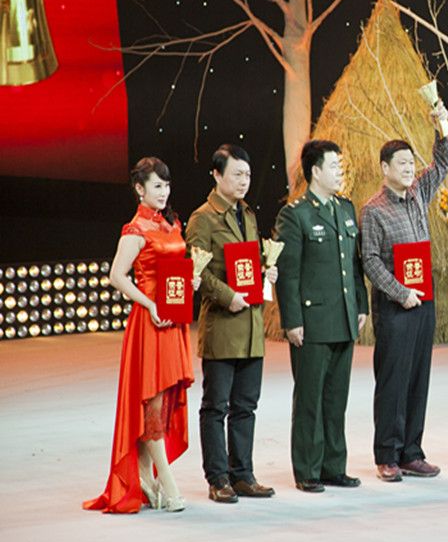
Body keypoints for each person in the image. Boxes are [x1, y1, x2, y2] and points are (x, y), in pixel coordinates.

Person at [84, 157, 200, 514]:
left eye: (166, 185)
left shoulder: (171, 223)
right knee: (152, 402)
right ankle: (166, 484)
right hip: (150, 324)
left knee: (164, 401)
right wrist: (150, 304)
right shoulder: (135, 230)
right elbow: (117, 276)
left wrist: (190, 282)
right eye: (156, 186)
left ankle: (147, 478)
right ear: (139, 189)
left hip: (173, 322)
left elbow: (175, 270)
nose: (164, 192)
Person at [361, 104, 448, 482]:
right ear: (385, 168)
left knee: (418, 377)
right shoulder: (373, 210)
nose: (409, 168)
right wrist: (400, 292)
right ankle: (387, 454)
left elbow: (442, 164)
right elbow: (369, 261)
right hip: (395, 306)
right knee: (393, 381)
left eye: (411, 162)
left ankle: (412, 451)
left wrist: (440, 126)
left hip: (424, 301)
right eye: (401, 163)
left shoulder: (418, 194)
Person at [274, 140, 369, 493]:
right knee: (310, 400)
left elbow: (354, 265)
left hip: (344, 318)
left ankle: (333, 466)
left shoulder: (345, 208)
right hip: (312, 322)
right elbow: (289, 274)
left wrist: (361, 305)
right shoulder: (295, 214)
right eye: (334, 166)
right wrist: (292, 320)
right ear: (315, 171)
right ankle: (307, 470)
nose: (340, 172)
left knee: (336, 399)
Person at [186, 144, 278, 503]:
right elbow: (197, 270)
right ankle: (218, 478)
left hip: (251, 323)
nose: (244, 181)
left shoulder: (248, 214)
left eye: (248, 175)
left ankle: (243, 474)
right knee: (216, 405)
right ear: (217, 174)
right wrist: (228, 296)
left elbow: (248, 263)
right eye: (237, 174)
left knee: (246, 405)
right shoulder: (203, 218)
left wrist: (266, 272)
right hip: (223, 324)